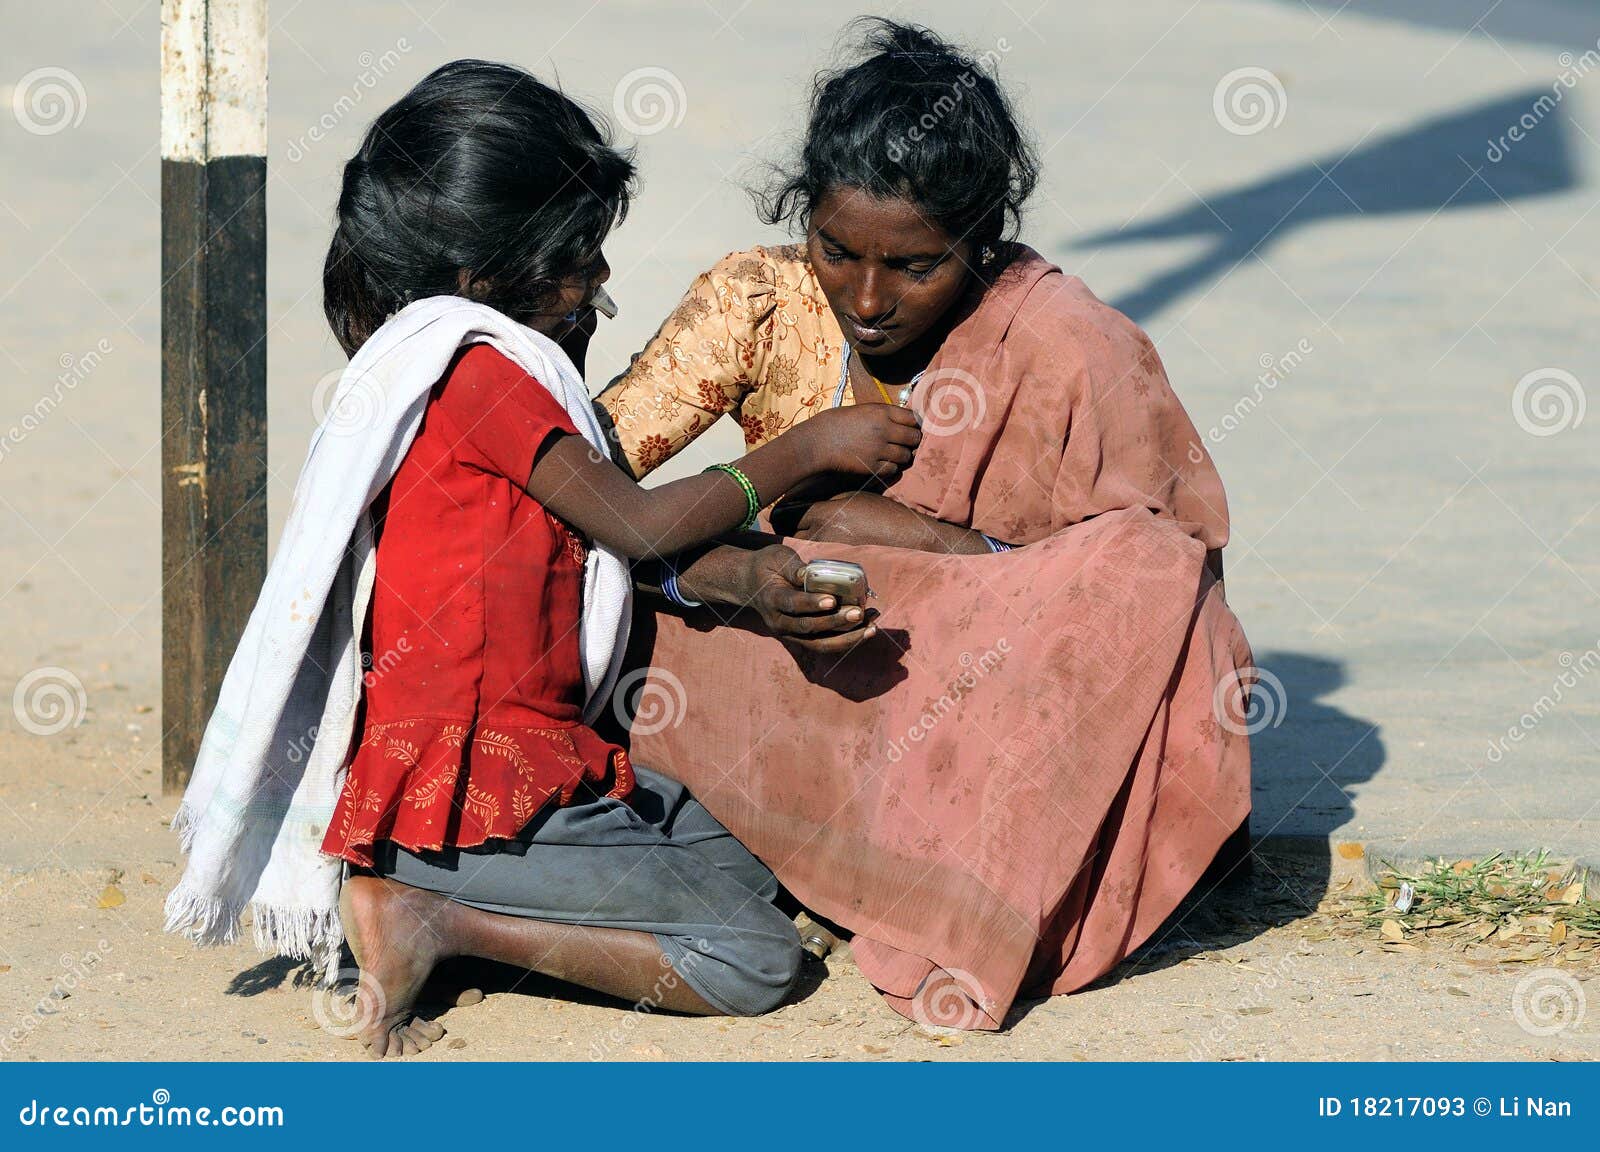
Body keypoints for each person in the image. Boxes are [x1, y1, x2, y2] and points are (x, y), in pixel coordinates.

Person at [187, 59, 925, 1060]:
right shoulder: (482, 373)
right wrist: (800, 452)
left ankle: (479, 911)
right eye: (580, 254)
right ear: (486, 268)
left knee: (754, 875)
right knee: (751, 956)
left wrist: (747, 576)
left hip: (543, 763)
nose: (602, 281)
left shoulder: (475, 361)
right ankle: (434, 919)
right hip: (466, 792)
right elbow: (634, 527)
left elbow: (588, 548)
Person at [597, 20, 1254, 1030]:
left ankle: (938, 875)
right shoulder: (758, 306)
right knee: (607, 615)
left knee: (1131, 574)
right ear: (801, 216)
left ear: (981, 236)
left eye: (914, 267)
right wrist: (731, 574)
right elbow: (577, 505)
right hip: (773, 640)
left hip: (983, 697)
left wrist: (935, 555)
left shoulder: (1069, 346)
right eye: (836, 252)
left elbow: (1155, 590)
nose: (866, 299)